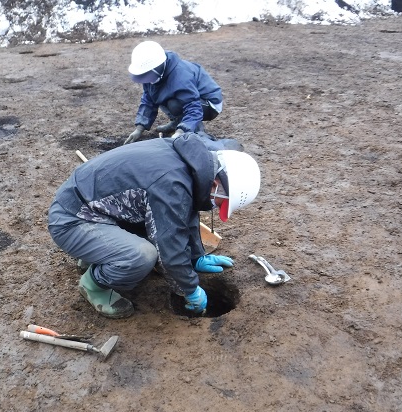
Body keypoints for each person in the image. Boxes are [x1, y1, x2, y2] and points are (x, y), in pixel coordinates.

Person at [48, 133, 261, 319]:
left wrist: (196, 257)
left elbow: (185, 212)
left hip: (99, 206)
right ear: (216, 184)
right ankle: (93, 284)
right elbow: (169, 248)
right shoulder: (170, 184)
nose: (217, 207)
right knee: (142, 256)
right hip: (72, 219)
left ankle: (98, 255)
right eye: (221, 203)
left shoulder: (195, 162)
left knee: (156, 231)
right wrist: (189, 289)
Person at [124, 40, 223, 145]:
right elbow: (148, 100)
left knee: (174, 104)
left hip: (208, 103)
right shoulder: (152, 74)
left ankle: (197, 131)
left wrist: (181, 131)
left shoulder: (180, 77)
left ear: (157, 69)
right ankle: (177, 122)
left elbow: (193, 107)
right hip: (192, 100)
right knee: (159, 95)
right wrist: (140, 128)